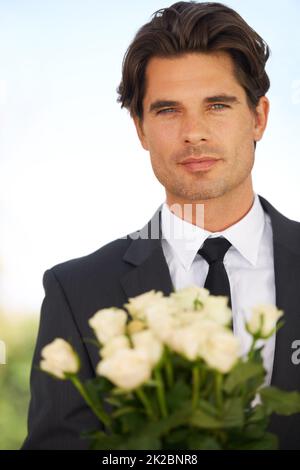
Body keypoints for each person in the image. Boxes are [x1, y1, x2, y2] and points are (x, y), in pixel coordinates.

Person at [22, 1, 300, 450]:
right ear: (141, 129)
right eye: (169, 110)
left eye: (217, 105)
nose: (194, 132)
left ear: (259, 117)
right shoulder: (77, 291)